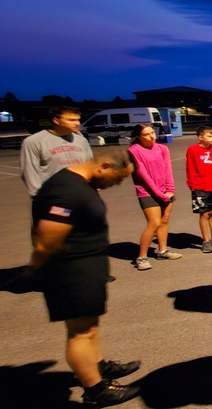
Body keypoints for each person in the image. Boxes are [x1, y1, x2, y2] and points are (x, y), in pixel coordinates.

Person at [31, 150, 141, 406]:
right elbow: (46, 241)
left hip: (86, 266)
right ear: (103, 166)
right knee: (79, 333)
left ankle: (97, 366)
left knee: (89, 327)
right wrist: (34, 269)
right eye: (117, 177)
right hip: (70, 271)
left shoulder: (80, 184)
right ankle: (96, 391)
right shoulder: (65, 190)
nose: (117, 183)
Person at [128, 124, 181, 271]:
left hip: (166, 191)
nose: (152, 136)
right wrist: (159, 194)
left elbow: (167, 169)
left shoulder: (162, 148)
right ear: (138, 136)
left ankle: (162, 251)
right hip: (147, 193)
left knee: (164, 221)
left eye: (152, 132)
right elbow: (142, 175)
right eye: (147, 134)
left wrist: (170, 189)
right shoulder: (133, 151)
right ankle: (141, 257)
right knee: (154, 223)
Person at [20, 105, 93, 197]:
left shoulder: (81, 140)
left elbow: (90, 166)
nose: (77, 123)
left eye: (78, 119)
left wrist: (93, 188)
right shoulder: (34, 141)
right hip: (53, 194)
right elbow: (29, 172)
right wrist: (37, 196)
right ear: (56, 120)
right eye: (71, 120)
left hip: (82, 193)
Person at [186, 126, 212, 254]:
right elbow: (190, 168)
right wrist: (193, 186)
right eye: (209, 136)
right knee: (204, 214)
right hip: (200, 187)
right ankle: (206, 240)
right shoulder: (192, 150)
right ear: (200, 137)